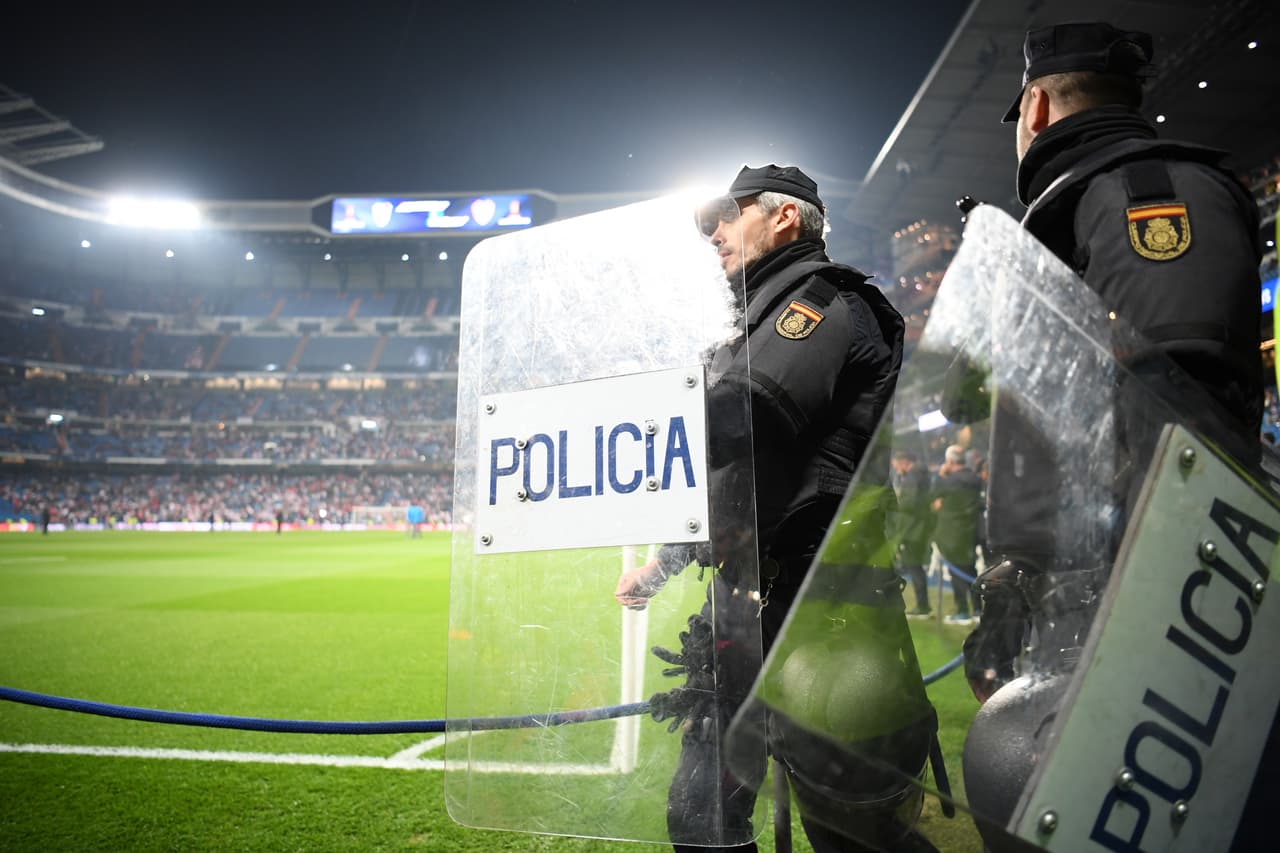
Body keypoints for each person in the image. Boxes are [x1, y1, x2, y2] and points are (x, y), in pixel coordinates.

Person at [957, 21, 1267, 850]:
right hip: (1087, 597)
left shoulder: (1148, 187)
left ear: (1038, 105)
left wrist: (1130, 592)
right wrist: (1016, 571)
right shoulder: (1075, 206)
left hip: (1153, 607)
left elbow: (1185, 412)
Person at [612, 164, 916, 852]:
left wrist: (613, 417)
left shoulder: (826, 303)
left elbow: (746, 418)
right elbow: (734, 484)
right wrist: (664, 562)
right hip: (738, 612)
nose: (712, 230)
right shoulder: (743, 325)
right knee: (701, 816)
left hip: (824, 615)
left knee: (849, 829)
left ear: (785, 217)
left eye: (727, 211)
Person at [929, 445, 982, 625]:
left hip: (951, 533)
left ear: (950, 461)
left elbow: (934, 501)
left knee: (956, 572)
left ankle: (962, 611)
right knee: (970, 569)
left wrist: (942, 475)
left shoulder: (947, 481)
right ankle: (977, 609)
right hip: (970, 531)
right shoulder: (975, 479)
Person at [890, 449, 934, 617]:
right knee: (915, 568)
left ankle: (923, 607)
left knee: (915, 568)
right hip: (917, 528)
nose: (895, 469)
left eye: (896, 465)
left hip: (912, 529)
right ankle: (923, 606)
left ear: (903, 462)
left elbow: (910, 503)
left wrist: (897, 500)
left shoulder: (913, 476)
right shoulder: (920, 475)